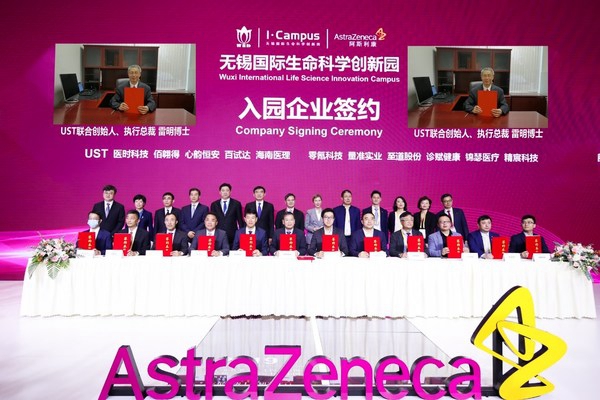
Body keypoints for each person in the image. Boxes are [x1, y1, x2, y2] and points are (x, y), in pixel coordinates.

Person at [210, 183, 244, 248]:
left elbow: (240, 220)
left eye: (227, 190)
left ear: (230, 192)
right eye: (223, 190)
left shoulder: (236, 204)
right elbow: (212, 220)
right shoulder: (214, 204)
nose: (225, 192)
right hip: (218, 235)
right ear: (220, 192)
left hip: (232, 235)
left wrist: (241, 234)